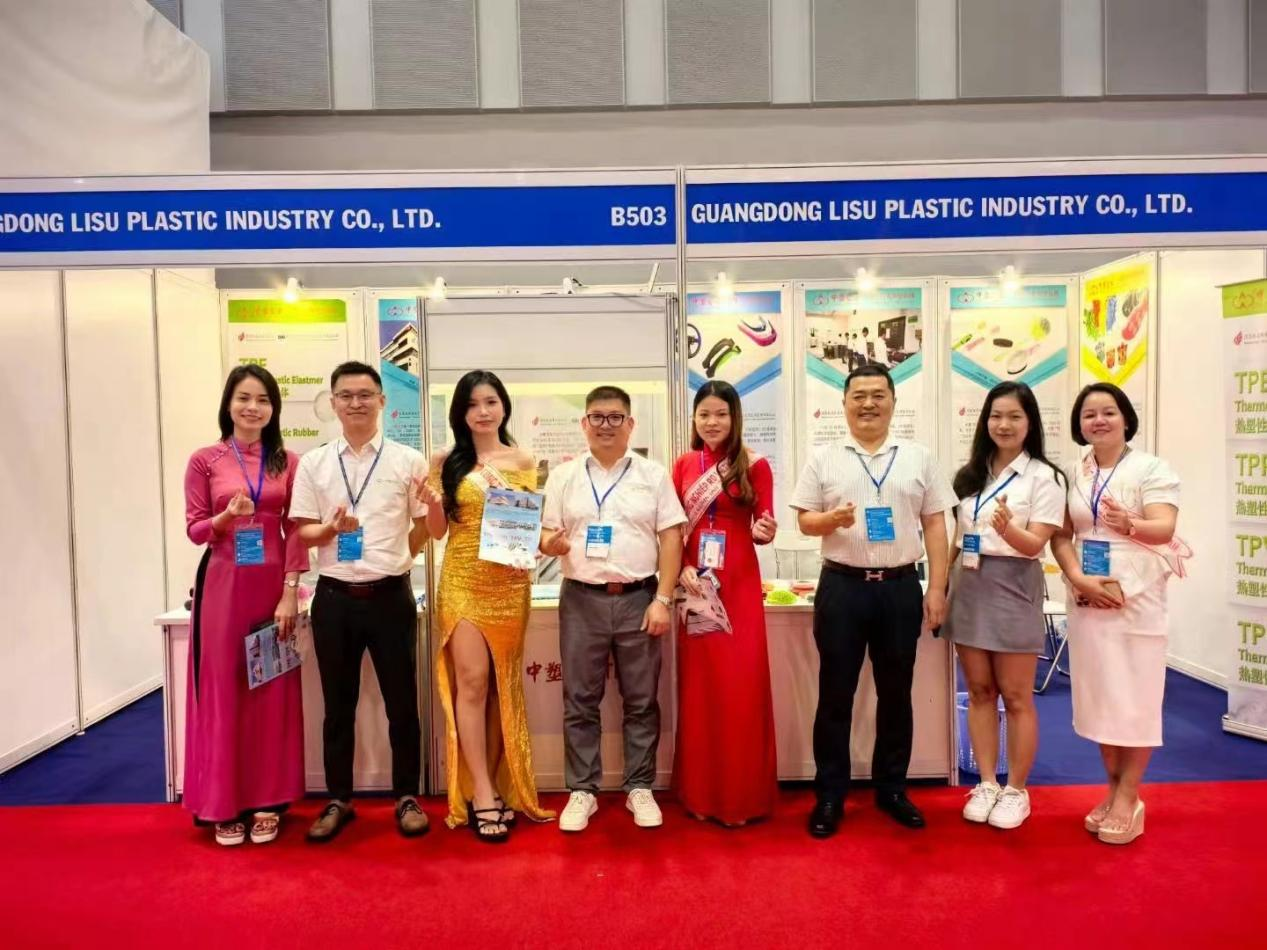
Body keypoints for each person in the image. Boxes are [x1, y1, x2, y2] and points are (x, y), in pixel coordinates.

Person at [791, 364, 955, 837]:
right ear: (844, 404)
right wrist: (831, 520)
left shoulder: (919, 458)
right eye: (858, 395)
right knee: (835, 695)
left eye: (878, 395)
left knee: (896, 694)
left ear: (893, 402)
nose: (868, 403)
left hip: (900, 588)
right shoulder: (823, 459)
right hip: (842, 588)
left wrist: (937, 587)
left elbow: (936, 525)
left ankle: (892, 789)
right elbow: (804, 521)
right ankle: (829, 795)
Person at [291, 361, 431, 842]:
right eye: (346, 395)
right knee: (338, 706)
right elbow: (303, 531)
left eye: (365, 394)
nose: (356, 403)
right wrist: (330, 530)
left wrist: (401, 555)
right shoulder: (314, 464)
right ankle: (339, 799)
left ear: (382, 401)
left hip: (391, 597)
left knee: (402, 704)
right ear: (333, 403)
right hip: (334, 599)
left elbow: (425, 526)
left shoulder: (408, 460)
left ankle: (406, 795)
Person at [539, 385, 686, 832]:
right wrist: (550, 544)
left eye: (615, 417)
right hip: (581, 598)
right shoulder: (563, 476)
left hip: (639, 598)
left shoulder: (652, 475)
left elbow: (671, 537)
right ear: (584, 423)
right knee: (580, 700)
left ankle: (639, 786)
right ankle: (582, 790)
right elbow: (545, 535)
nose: (606, 425)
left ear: (630, 424)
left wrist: (663, 599)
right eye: (598, 417)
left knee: (641, 699)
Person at [418, 370, 555, 842]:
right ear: (460, 412)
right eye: (473, 404)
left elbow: (529, 525)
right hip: (462, 582)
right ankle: (480, 792)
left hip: (509, 584)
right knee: (472, 682)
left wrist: (547, 541)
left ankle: (499, 782)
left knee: (501, 687)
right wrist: (432, 501)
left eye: (491, 401)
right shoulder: (445, 460)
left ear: (503, 406)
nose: (483, 411)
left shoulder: (522, 459)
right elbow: (437, 531)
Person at [1051, 383, 1182, 846]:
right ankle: (1111, 790)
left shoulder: (1151, 468)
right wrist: (1076, 577)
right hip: (1088, 593)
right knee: (1101, 696)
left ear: (1126, 418)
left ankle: (1129, 795)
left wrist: (1132, 524)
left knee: (1134, 696)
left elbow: (1165, 527)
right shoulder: (1075, 472)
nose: (1099, 421)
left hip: (1137, 594)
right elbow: (1062, 535)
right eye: (1089, 414)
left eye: (1108, 412)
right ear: (1079, 425)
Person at [182, 365, 308, 846]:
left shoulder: (287, 462)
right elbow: (195, 529)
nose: (253, 407)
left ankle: (268, 800)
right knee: (224, 689)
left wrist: (290, 591)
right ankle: (223, 802)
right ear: (229, 404)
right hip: (223, 588)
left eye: (263, 400)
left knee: (271, 689)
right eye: (244, 398)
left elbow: (296, 529)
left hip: (273, 587)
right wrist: (225, 516)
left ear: (274, 409)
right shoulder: (205, 460)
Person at [943, 382, 1066, 830]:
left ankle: (1016, 789)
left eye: (1014, 416)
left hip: (1014, 585)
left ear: (1030, 422)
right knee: (979, 691)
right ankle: (987, 783)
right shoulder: (969, 475)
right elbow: (958, 540)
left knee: (1015, 695)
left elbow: (1036, 545)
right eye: (996, 416)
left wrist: (1008, 529)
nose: (1004, 424)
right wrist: (940, 586)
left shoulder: (1045, 477)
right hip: (969, 584)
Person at [672, 381, 779, 826]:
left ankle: (741, 797)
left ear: (734, 417)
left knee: (741, 686)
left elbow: (765, 523)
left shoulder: (755, 465)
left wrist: (764, 531)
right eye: (704, 414)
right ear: (695, 419)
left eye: (721, 414)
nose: (712, 422)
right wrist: (681, 567)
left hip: (738, 581)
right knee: (701, 689)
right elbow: (671, 527)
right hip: (696, 582)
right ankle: (702, 794)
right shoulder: (682, 464)